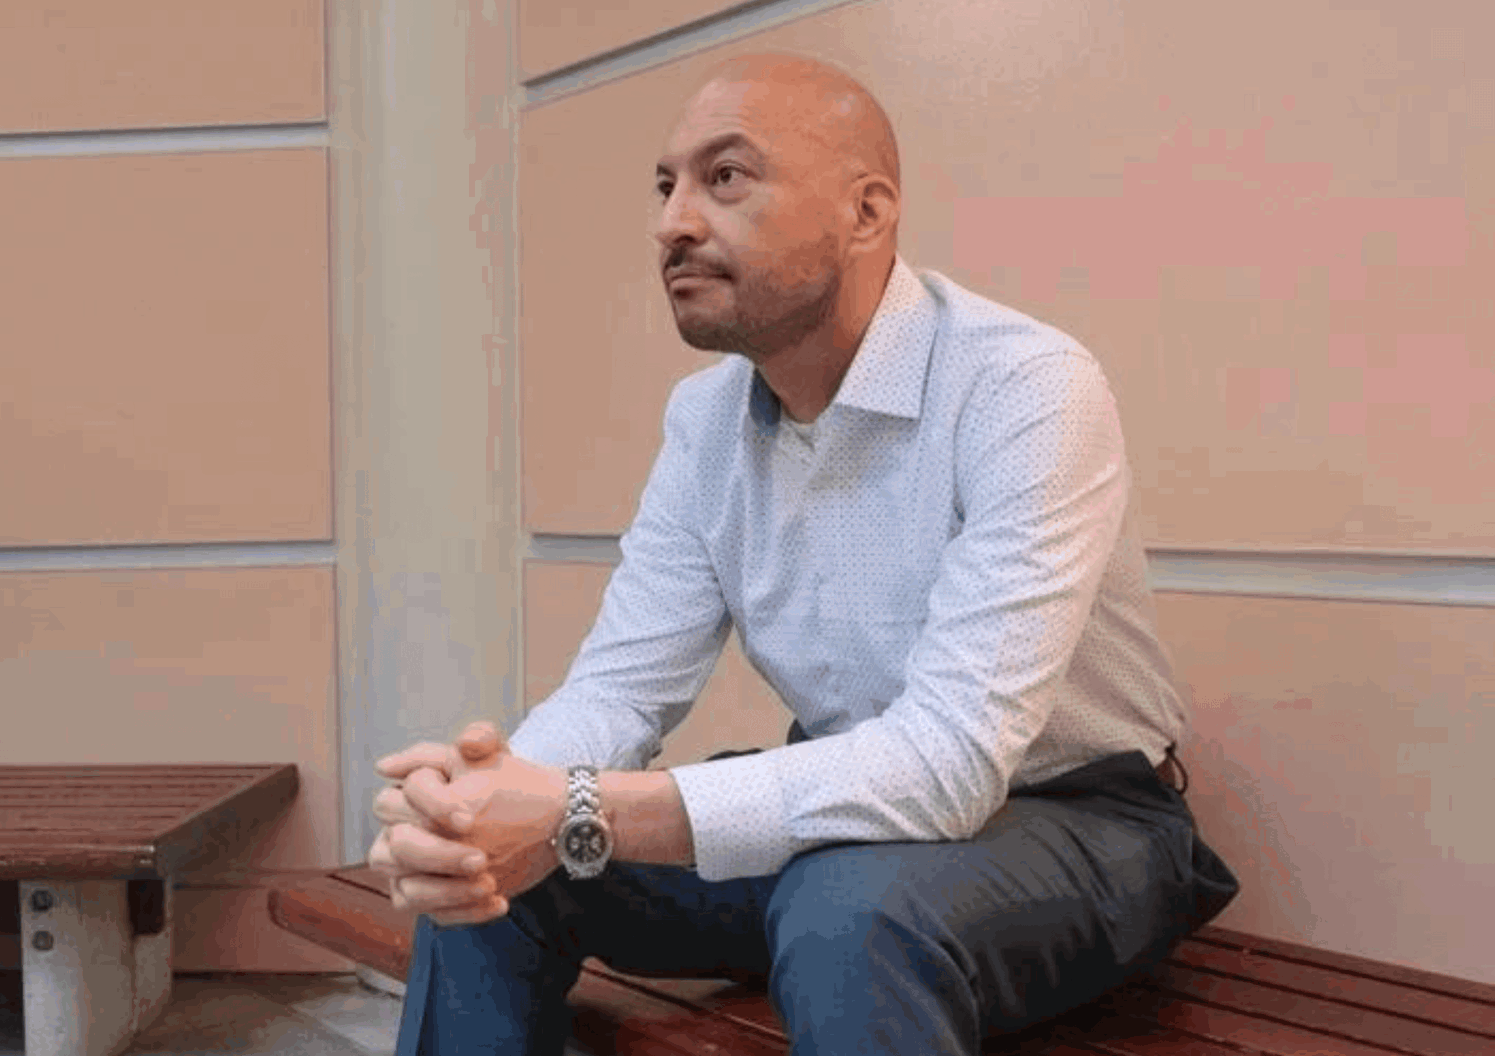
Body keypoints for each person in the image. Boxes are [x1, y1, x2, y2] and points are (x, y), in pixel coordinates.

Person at [369, 53, 1240, 1056]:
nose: (673, 222)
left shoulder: (1025, 389)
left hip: (1083, 824)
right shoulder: (704, 423)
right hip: (850, 829)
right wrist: (486, 802)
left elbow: (948, 766)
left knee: (849, 915)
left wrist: (571, 804)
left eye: (725, 177)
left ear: (867, 213)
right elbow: (619, 691)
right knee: (486, 875)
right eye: (665, 186)